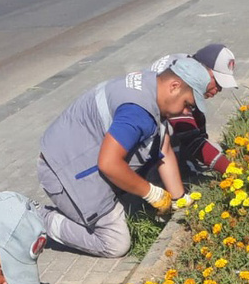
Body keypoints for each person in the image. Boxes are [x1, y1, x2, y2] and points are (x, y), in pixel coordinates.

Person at [37, 59, 213, 258]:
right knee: (115, 243)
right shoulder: (137, 111)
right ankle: (39, 219)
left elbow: (163, 145)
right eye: (187, 104)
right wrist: (151, 193)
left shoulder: (151, 86)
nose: (186, 112)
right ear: (174, 86)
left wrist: (180, 200)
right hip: (65, 172)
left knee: (139, 189)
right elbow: (109, 164)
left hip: (76, 154)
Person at [150, 43, 240, 176]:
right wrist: (232, 171)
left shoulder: (189, 64)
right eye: (218, 82)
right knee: (178, 136)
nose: (219, 90)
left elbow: (197, 114)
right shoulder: (181, 81)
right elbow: (191, 138)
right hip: (141, 135)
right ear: (203, 70)